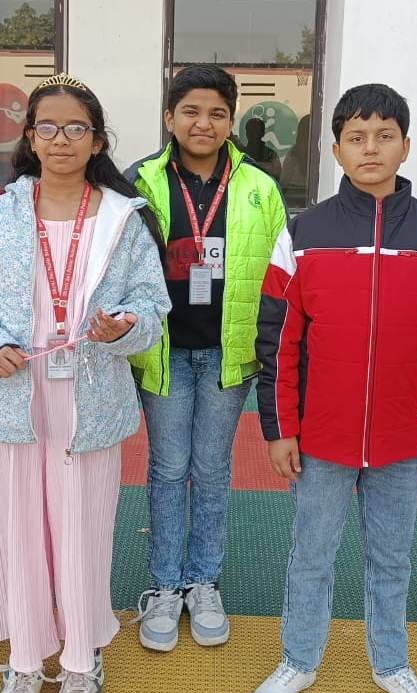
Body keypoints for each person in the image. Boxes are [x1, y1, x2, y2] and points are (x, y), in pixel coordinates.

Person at [0, 72, 171, 693]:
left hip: (91, 399)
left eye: (77, 128)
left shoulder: (123, 220)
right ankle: (23, 661)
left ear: (97, 140)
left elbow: (153, 305)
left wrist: (124, 325)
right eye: (48, 126)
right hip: (16, 393)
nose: (62, 139)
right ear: (30, 137)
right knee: (19, 531)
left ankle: (79, 660)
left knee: (81, 534)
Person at [249, 83, 417, 693]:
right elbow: (278, 337)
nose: (370, 148)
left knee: (391, 559)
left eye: (384, 136)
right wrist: (280, 427)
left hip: (405, 438)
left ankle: (391, 663)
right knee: (311, 555)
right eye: (356, 137)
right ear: (336, 150)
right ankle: (299, 658)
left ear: (406, 145)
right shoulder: (304, 232)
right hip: (321, 436)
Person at [127, 63, 288, 653]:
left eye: (217, 113)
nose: (204, 123)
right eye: (191, 111)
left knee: (214, 469)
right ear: (169, 117)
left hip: (229, 352)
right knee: (169, 468)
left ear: (231, 121)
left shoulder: (259, 186)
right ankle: (165, 585)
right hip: (163, 351)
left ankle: (204, 581)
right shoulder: (139, 181)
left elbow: (280, 274)